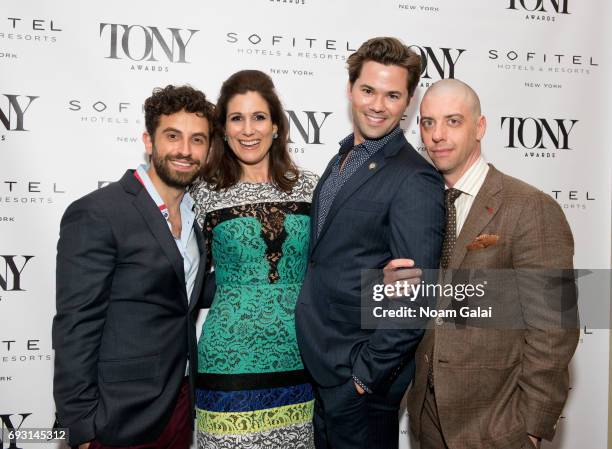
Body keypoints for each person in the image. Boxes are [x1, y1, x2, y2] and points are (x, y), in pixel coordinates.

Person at [387, 79, 579, 449]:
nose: (437, 135)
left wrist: (531, 428)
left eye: (453, 121)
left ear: (480, 127)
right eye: (428, 123)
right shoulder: (421, 207)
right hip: (427, 423)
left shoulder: (529, 207)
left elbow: (555, 327)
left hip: (497, 426)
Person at [294, 37, 445, 449]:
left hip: (360, 380)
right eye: (368, 90)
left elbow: (417, 293)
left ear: (408, 101)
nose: (378, 105)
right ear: (350, 89)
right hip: (323, 367)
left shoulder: (414, 178)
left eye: (392, 95)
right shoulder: (341, 159)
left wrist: (364, 374)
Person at [53, 85, 214, 449]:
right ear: (148, 140)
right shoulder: (98, 212)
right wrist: (82, 427)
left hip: (181, 403)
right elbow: (76, 323)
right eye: (172, 136)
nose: (185, 151)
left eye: (198, 139)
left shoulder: (193, 215)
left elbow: (179, 295)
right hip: (117, 416)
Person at [190, 70, 318, 449]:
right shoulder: (204, 193)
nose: (248, 130)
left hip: (302, 358)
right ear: (223, 130)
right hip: (229, 362)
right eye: (236, 118)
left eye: (258, 117)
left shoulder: (312, 187)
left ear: (276, 126)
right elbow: (184, 275)